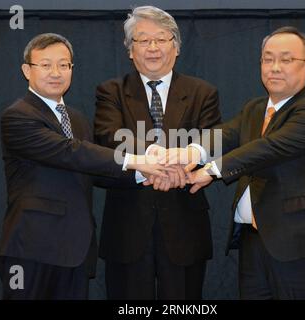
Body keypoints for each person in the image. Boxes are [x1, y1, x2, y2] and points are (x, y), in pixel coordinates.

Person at [0, 33, 167, 299]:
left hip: (76, 250)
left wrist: (143, 175)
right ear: (26, 70)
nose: (56, 72)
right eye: (46, 65)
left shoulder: (77, 119)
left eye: (64, 65)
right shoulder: (18, 115)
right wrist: (137, 159)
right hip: (32, 248)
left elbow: (93, 170)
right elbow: (70, 152)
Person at [180, 26, 305, 299]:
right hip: (254, 242)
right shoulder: (254, 109)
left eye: (286, 59)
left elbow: (267, 149)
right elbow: (225, 134)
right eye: (267, 59)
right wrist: (189, 154)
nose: (274, 67)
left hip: (301, 249)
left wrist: (210, 170)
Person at [93, 6, 221, 299]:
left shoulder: (203, 92)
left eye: (161, 39)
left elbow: (213, 141)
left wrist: (182, 165)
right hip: (127, 228)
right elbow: (108, 138)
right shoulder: (110, 91)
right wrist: (159, 159)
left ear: (176, 47)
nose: (153, 48)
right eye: (142, 40)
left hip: (185, 227)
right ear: (130, 50)